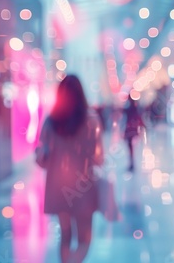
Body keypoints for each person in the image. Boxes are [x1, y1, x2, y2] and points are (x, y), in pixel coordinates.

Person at [37, 74, 104, 263]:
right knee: (85, 238)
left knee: (65, 235)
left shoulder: (51, 121)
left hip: (58, 186)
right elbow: (99, 158)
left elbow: (42, 158)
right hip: (83, 185)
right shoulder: (91, 119)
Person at [123, 95, 145, 171]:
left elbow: (124, 119)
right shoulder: (135, 108)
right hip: (133, 129)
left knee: (130, 146)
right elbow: (138, 117)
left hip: (129, 129)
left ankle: (131, 162)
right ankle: (132, 162)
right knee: (132, 146)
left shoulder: (128, 109)